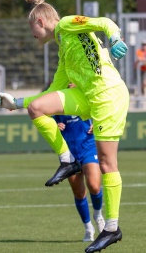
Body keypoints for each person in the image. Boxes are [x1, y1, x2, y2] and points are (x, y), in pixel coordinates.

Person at [0, 0, 129, 253]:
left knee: (106, 163)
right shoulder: (64, 53)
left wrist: (114, 38)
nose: (32, 35)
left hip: (107, 96)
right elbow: (48, 95)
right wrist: (17, 103)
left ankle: (111, 228)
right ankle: (67, 161)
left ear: (41, 22)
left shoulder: (67, 24)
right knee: (36, 107)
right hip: (87, 96)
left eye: (31, 28)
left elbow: (104, 22)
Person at [53, 84, 105, 243]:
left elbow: (103, 111)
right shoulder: (58, 101)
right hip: (69, 151)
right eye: (68, 81)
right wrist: (54, 125)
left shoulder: (88, 96)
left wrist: (97, 123)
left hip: (88, 146)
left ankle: (98, 214)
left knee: (94, 186)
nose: (71, 83)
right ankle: (88, 227)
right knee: (79, 192)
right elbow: (45, 120)